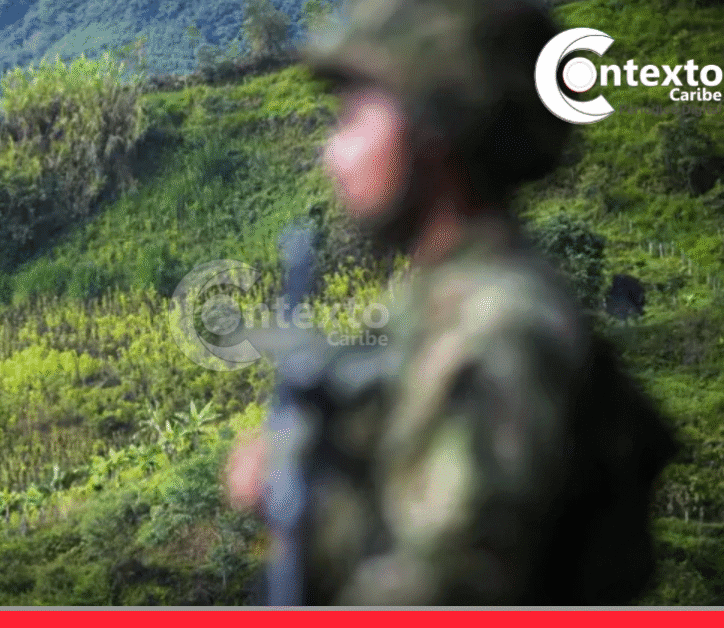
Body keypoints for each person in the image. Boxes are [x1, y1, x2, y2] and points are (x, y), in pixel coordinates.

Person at [226, 0, 674, 605]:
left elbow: (454, 591)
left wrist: (313, 516)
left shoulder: (498, 326)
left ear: (434, 127)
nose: (333, 156)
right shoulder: (435, 309)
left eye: (355, 116)